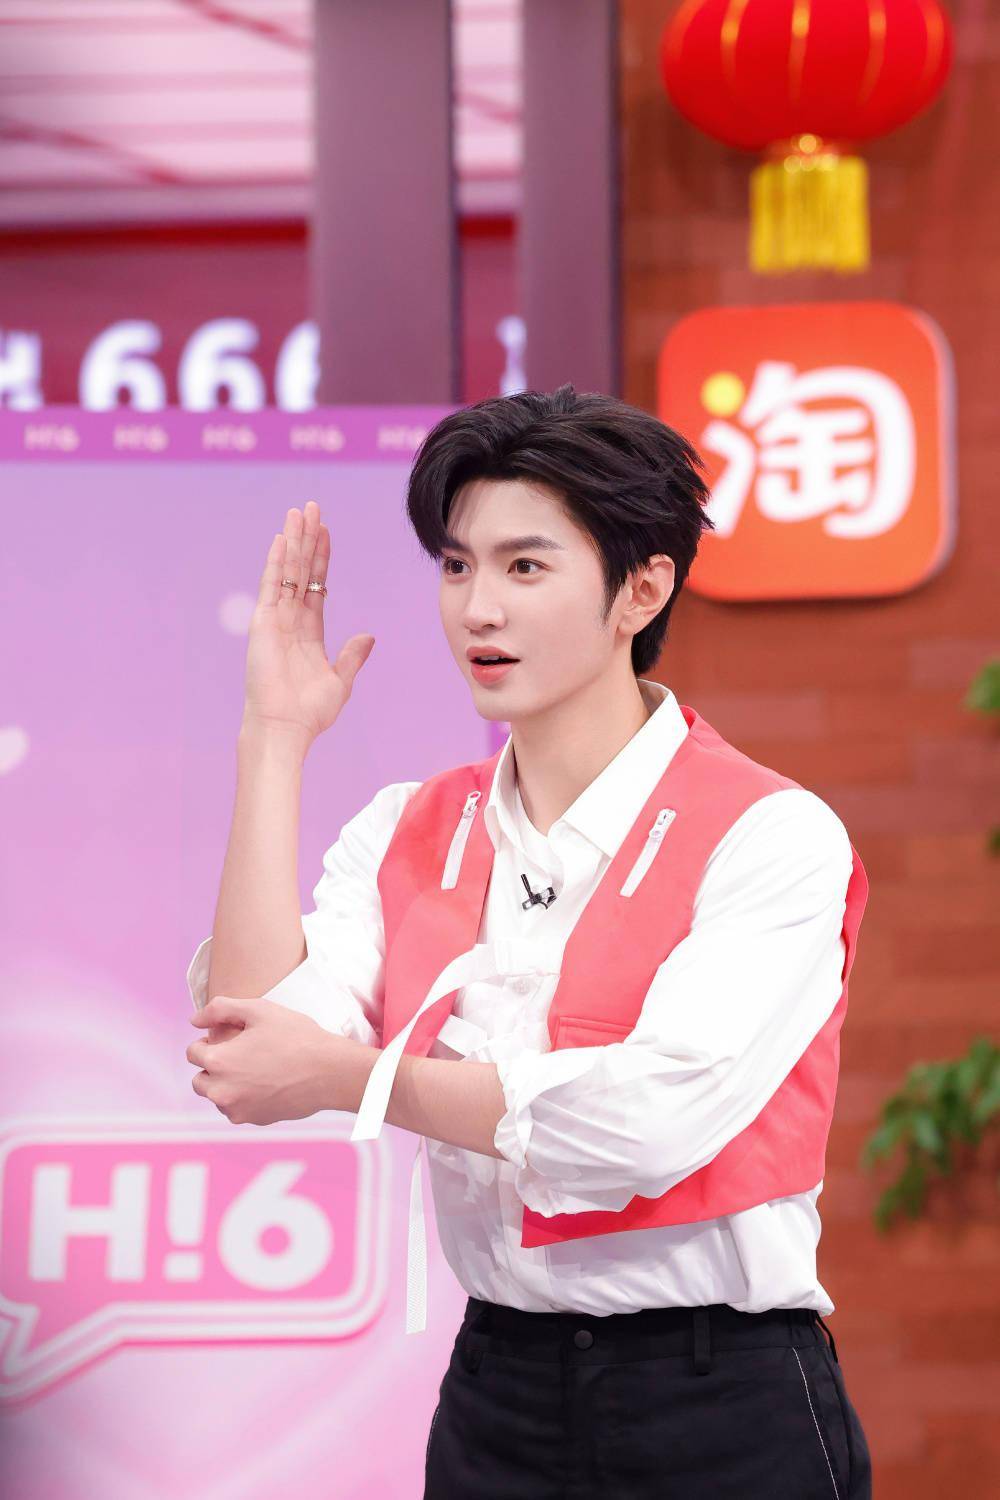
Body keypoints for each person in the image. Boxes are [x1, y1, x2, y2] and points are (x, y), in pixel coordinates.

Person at [186, 385, 874, 1498]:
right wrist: (274, 738)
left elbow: (643, 1126)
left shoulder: (772, 833)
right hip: (497, 1391)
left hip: (720, 1398)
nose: (478, 609)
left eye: (524, 566)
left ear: (640, 588)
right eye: (457, 566)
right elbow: (251, 1046)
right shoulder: (410, 826)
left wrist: (354, 1079)